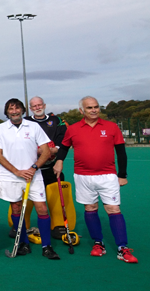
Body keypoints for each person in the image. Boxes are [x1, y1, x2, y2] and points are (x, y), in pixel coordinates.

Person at [53, 96, 137, 263]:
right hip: (83, 176)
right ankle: (98, 244)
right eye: (89, 107)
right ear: (81, 111)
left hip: (107, 176)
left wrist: (122, 175)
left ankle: (122, 248)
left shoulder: (111, 127)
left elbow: (121, 152)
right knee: (90, 208)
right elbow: (64, 147)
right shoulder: (73, 128)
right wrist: (59, 161)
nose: (93, 110)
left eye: (96, 107)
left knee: (113, 209)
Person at [0, 98, 58, 259]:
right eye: (10, 109)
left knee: (41, 208)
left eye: (17, 108)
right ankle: (23, 243)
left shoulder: (34, 126)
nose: (14, 111)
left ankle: (47, 246)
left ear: (22, 110)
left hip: (33, 175)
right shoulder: (0, 128)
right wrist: (16, 171)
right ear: (7, 112)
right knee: (15, 208)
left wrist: (33, 168)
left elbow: (46, 151)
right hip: (10, 175)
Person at [25, 96, 67, 186]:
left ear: (44, 106)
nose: (37, 108)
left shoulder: (56, 120)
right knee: (35, 199)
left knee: (56, 198)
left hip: (52, 168)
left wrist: (56, 148)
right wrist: (36, 150)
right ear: (30, 108)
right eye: (34, 106)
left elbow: (63, 136)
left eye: (39, 105)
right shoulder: (25, 121)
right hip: (31, 170)